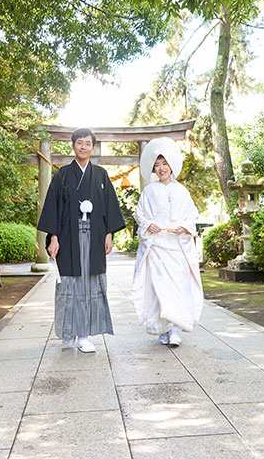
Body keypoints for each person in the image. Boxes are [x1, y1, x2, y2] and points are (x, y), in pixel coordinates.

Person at [37, 128, 126, 353]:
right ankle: (68, 331)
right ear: (73, 146)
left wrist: (109, 234)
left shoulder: (101, 175)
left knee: (89, 286)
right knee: (68, 286)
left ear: (93, 147)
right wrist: (53, 237)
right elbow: (53, 209)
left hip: (94, 238)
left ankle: (85, 335)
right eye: (80, 142)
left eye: (88, 143)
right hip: (68, 238)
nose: (83, 146)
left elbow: (109, 207)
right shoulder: (62, 175)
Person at [130, 137, 203, 346]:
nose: (161, 169)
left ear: (171, 166)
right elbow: (139, 214)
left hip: (176, 247)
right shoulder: (149, 191)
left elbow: (192, 216)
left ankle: (176, 329)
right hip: (157, 248)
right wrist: (147, 225)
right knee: (158, 290)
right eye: (157, 165)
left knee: (178, 288)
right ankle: (163, 329)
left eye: (165, 164)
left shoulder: (182, 191)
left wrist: (186, 227)